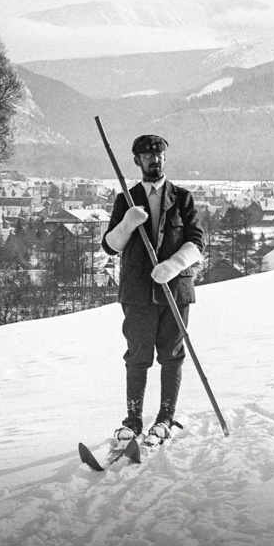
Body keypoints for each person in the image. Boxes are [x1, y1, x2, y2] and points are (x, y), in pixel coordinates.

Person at [101, 134, 204, 445]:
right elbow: (110, 246)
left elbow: (197, 241)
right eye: (147, 156)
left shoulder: (183, 198)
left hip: (175, 290)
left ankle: (164, 419)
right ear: (137, 161)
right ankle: (132, 420)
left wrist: (173, 265)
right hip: (137, 292)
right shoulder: (126, 200)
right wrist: (128, 223)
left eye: (159, 155)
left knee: (171, 356)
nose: (154, 160)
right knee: (137, 357)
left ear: (165, 158)